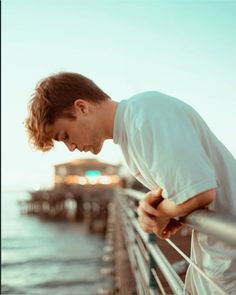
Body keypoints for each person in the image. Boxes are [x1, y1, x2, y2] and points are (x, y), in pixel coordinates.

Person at [25, 72, 236, 294]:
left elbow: (200, 192)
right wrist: (156, 205)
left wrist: (162, 213)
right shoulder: (131, 133)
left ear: (82, 108)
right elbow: (186, 190)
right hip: (214, 257)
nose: (71, 147)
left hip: (228, 258)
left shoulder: (146, 115)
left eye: (65, 135)